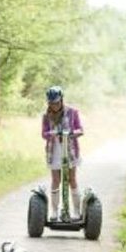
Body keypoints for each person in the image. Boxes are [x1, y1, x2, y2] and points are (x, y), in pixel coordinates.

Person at [41, 85, 83, 221]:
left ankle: (76, 210)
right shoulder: (46, 116)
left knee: (72, 179)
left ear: (61, 100)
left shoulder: (72, 112)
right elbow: (44, 133)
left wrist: (72, 133)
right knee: (55, 180)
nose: (54, 106)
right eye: (51, 103)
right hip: (54, 152)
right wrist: (51, 134)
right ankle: (54, 210)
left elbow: (80, 129)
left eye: (57, 103)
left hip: (69, 151)